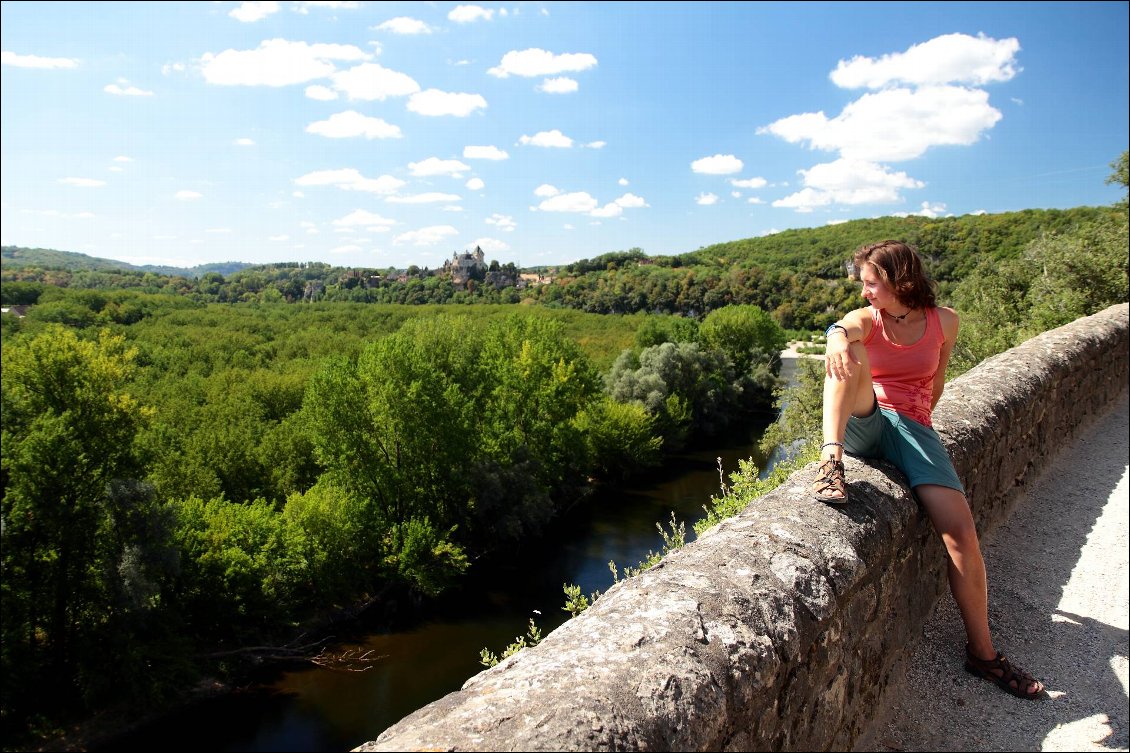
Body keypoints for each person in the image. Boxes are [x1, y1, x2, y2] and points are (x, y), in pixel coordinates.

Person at [813, 239, 1044, 700]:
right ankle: (830, 460)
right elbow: (844, 327)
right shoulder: (870, 319)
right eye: (863, 284)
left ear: (901, 281)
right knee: (851, 353)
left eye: (872, 284)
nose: (865, 293)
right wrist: (837, 335)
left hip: (914, 429)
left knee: (961, 535)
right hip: (869, 420)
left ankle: (983, 655)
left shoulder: (945, 322)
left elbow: (936, 381)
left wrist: (920, 430)